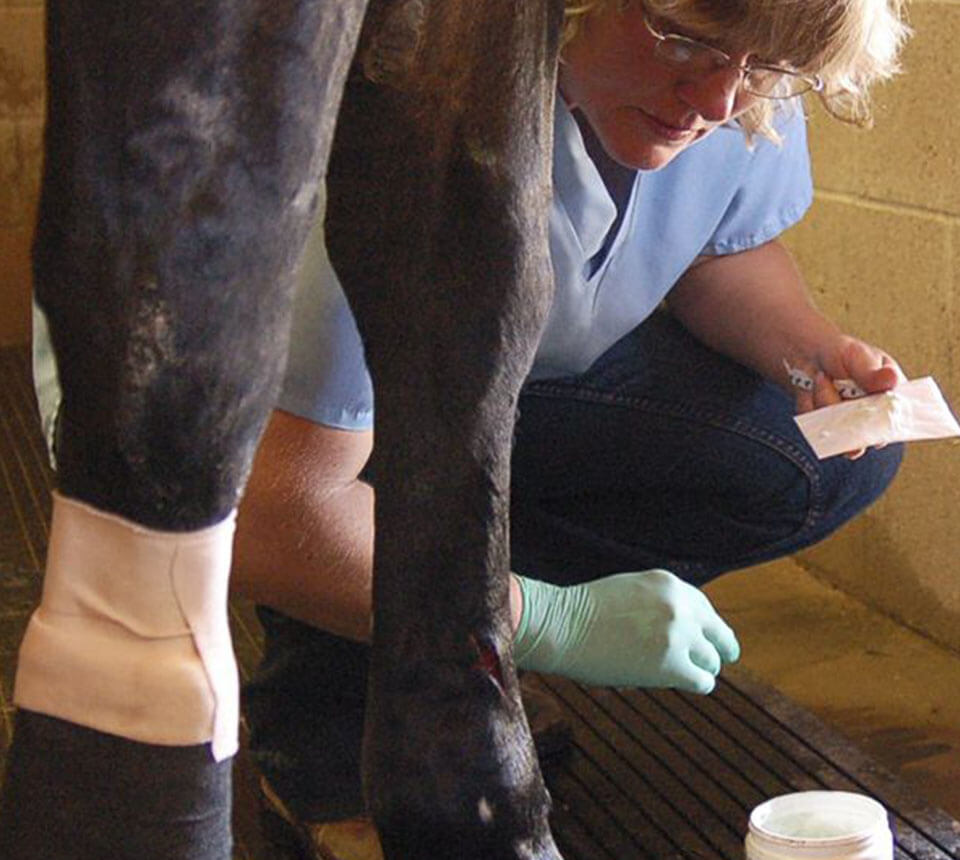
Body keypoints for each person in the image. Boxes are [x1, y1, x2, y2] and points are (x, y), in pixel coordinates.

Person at [25, 0, 909, 857]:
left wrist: (813, 357)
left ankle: (450, 649)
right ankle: (329, 723)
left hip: (498, 384)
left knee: (816, 461)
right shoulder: (379, 113)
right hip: (259, 440)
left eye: (765, 71)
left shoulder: (742, 71)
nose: (720, 101)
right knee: (333, 483)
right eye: (682, 40)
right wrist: (546, 621)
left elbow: (723, 247)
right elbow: (273, 504)